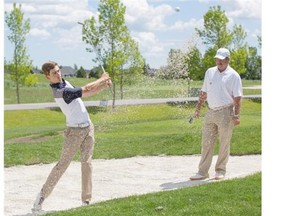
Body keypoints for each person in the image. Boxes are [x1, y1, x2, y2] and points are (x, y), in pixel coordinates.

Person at [32, 61, 112, 213]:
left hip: (88, 128)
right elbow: (86, 88)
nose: (58, 74)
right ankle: (40, 199)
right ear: (47, 77)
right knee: (62, 165)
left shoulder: (65, 83)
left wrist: (104, 85)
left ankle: (86, 201)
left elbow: (86, 93)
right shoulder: (60, 92)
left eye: (58, 70)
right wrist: (102, 79)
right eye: (54, 73)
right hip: (74, 133)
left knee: (87, 163)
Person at [190, 48, 242, 181]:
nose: (219, 61)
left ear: (227, 59)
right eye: (217, 58)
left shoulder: (234, 75)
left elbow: (237, 98)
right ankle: (202, 172)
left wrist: (236, 116)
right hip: (210, 111)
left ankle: (220, 170)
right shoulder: (210, 72)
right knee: (206, 142)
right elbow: (204, 92)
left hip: (226, 112)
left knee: (224, 142)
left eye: (222, 59)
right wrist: (197, 109)